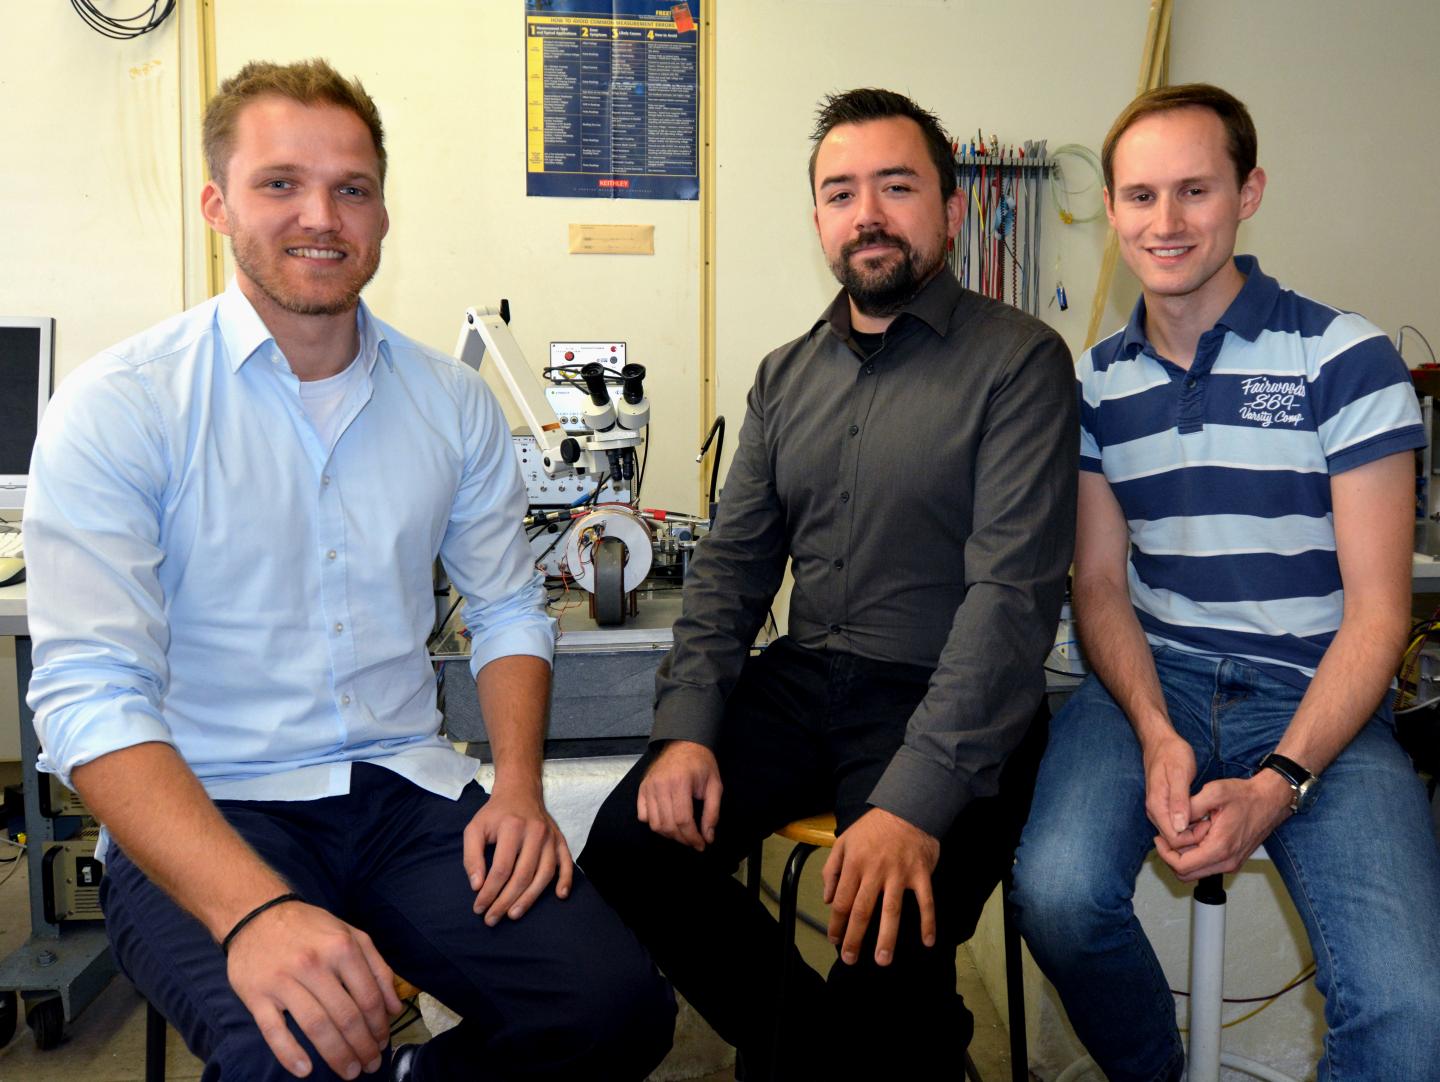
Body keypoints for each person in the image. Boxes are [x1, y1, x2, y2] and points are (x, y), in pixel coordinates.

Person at [24, 59, 673, 1082]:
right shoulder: (122, 407)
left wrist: (516, 788)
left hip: (402, 789)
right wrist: (254, 911)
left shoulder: (449, 404)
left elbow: (508, 607)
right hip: (209, 798)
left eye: (352, 188)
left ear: (382, 214)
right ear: (217, 204)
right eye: (280, 182)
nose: (321, 216)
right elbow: (88, 697)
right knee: (295, 1056)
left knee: (617, 1011)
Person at [580, 87, 1077, 1079]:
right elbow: (731, 569)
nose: (868, 214)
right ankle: (836, 1057)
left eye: (897, 186)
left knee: (885, 951)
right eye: (841, 193)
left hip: (951, 699)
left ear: (950, 208)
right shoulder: (784, 377)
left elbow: (1009, 602)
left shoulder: (1021, 363)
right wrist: (685, 728)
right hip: (805, 680)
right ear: (817, 219)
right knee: (630, 853)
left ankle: (865, 1046)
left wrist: (913, 803)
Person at [1011, 83, 1440, 1081]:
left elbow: (1380, 613)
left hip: (1315, 692)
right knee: (1058, 897)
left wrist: (1280, 783)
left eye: (1194, 190)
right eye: (1140, 195)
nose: (1165, 221)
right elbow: (1100, 583)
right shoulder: (1098, 382)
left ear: (1248, 194)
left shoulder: (1346, 359)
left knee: (1412, 1012)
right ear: (1111, 210)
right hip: (1149, 683)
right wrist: (1155, 729)